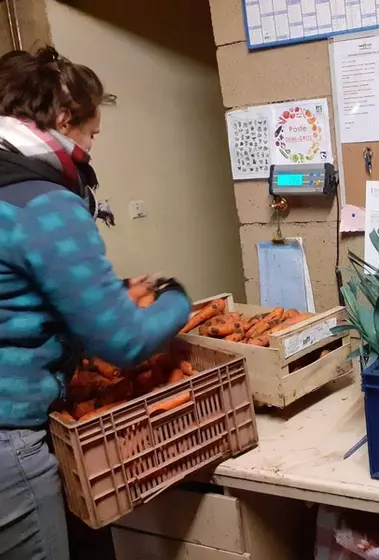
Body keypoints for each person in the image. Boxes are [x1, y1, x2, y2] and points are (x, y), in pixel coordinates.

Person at [0, 46, 191, 559]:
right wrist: (177, 299)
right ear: (64, 120)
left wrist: (108, 290)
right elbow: (122, 340)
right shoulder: (42, 201)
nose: (92, 147)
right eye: (92, 133)